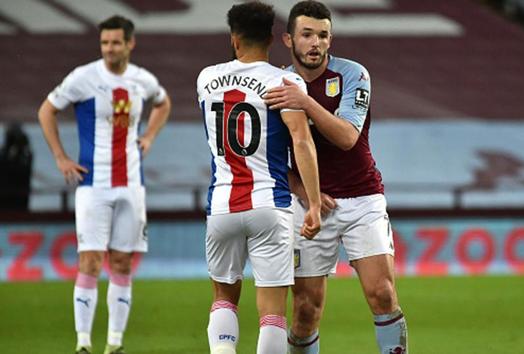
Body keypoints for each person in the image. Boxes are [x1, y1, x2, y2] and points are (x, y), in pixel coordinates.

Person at [264, 1, 409, 353]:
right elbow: (266, 157)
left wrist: (305, 102)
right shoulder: (274, 84)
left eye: (323, 35)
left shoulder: (352, 74)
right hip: (310, 206)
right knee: (304, 311)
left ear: (331, 39)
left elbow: (346, 138)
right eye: (307, 34)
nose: (315, 43)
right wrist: (301, 189)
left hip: (363, 198)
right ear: (288, 39)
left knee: (383, 293)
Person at [38, 15, 171, 354]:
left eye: (115, 42)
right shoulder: (84, 77)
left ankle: (114, 344)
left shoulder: (142, 80)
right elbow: (46, 111)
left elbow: (163, 101)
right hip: (93, 185)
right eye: (104, 43)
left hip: (131, 185)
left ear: (130, 43)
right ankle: (83, 343)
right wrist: (60, 157)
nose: (109, 49)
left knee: (123, 264)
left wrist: (150, 137)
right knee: (91, 262)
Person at [196, 2, 321, 354]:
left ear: (234, 39)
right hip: (271, 205)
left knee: (223, 297)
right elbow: (301, 141)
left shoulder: (206, 78)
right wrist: (312, 204)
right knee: (272, 313)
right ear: (271, 38)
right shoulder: (286, 82)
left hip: (221, 204)